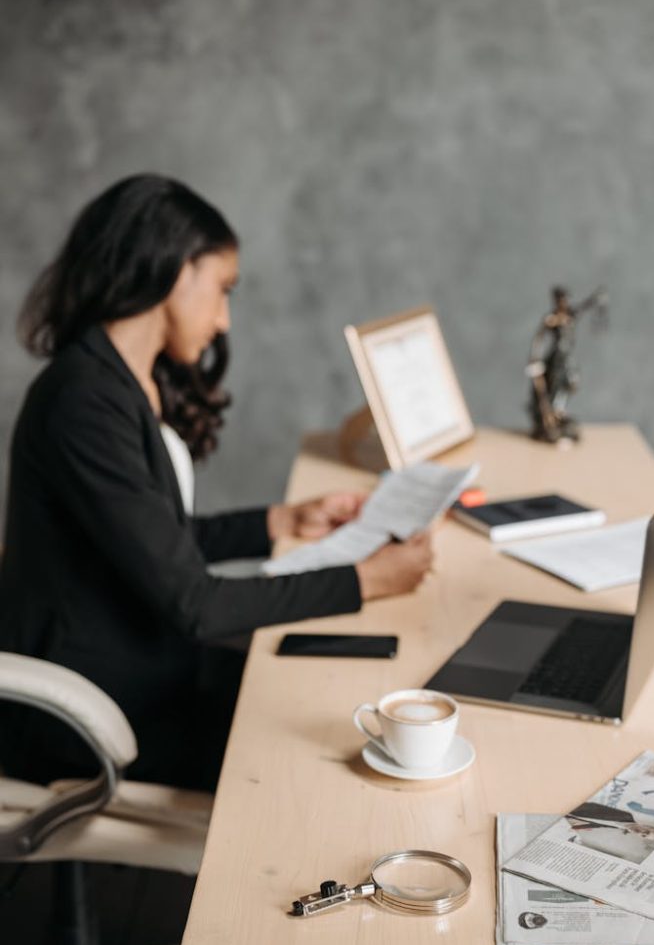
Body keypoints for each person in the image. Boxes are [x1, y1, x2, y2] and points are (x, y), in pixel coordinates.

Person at [0, 174, 432, 792]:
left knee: (332, 693)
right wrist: (368, 578)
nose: (224, 320)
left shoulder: (120, 380)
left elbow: (153, 540)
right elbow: (195, 602)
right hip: (86, 710)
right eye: (222, 289)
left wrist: (278, 524)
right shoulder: (83, 402)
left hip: (143, 663)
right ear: (176, 271)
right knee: (324, 754)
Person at [526, 285, 608, 443]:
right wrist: (534, 357)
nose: (565, 302)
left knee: (572, 383)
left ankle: (559, 411)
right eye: (562, 300)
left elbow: (583, 307)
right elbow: (538, 339)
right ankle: (554, 413)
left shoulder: (570, 315)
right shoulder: (552, 319)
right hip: (556, 357)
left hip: (567, 357)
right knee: (555, 384)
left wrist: (595, 298)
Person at [565, 802, 654, 863]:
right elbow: (592, 807)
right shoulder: (626, 816)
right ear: (647, 825)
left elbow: (596, 823)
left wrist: (576, 826)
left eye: (644, 836)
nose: (641, 833)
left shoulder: (620, 829)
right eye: (647, 831)